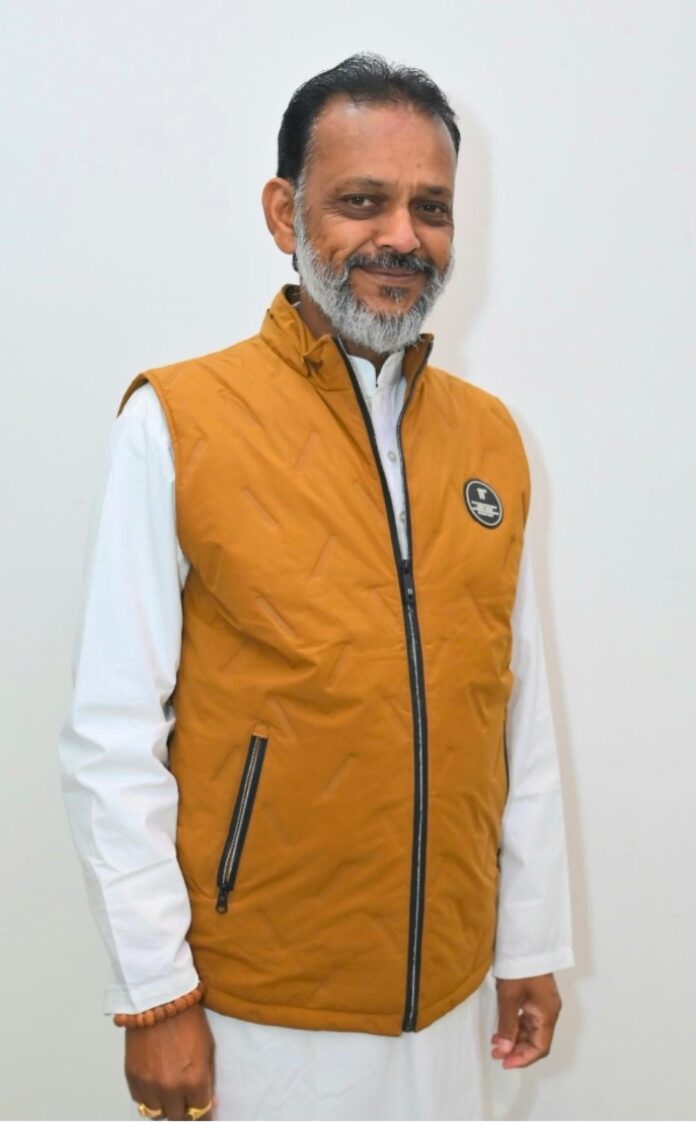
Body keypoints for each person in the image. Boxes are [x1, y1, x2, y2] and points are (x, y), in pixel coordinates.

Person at [58, 52, 574, 1122]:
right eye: (362, 201)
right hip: (258, 1014)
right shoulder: (178, 423)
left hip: (446, 1003)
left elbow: (511, 711)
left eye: (431, 207)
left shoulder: (491, 440)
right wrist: (155, 993)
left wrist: (527, 938)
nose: (402, 236)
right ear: (283, 212)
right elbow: (110, 734)